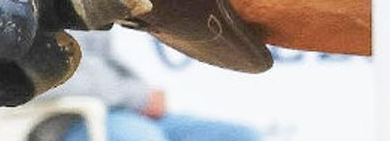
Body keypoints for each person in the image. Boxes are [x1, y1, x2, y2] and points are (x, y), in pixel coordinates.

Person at [26, 30, 262, 141]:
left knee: (239, 136)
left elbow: (106, 61)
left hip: (125, 111)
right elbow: (57, 77)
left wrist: (140, 96)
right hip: (66, 122)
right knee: (143, 137)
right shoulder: (17, 1)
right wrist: (139, 97)